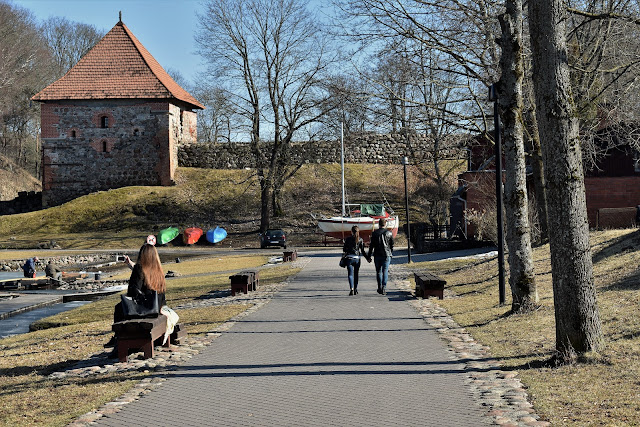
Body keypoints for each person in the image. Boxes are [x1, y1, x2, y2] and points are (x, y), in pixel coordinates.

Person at [108, 243, 178, 353]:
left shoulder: (139, 268)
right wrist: (132, 266)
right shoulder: (158, 270)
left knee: (119, 308)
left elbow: (133, 290)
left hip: (145, 308)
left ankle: (119, 340)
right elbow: (146, 278)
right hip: (158, 306)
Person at [367, 218, 394, 295]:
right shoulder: (389, 233)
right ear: (385, 224)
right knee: (385, 271)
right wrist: (390, 253)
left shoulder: (374, 233)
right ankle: (384, 287)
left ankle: (379, 287)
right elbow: (392, 245)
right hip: (386, 254)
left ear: (378, 224)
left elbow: (371, 246)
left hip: (377, 254)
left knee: (378, 272)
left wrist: (369, 256)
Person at [342, 225, 369, 296]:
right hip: (357, 259)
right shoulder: (360, 239)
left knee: (350, 274)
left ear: (351, 231)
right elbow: (362, 251)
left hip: (349, 258)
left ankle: (351, 288)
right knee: (356, 274)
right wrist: (367, 258)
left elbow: (344, 249)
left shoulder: (348, 239)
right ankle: (356, 289)